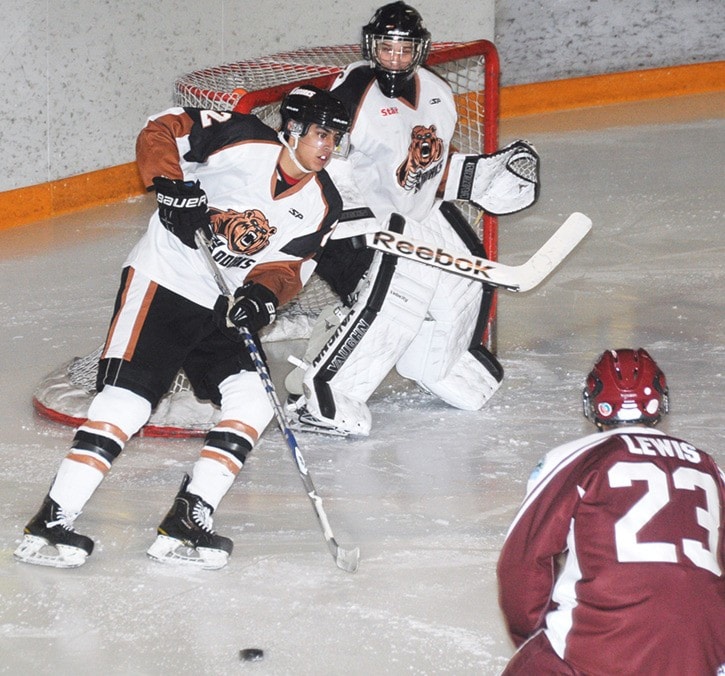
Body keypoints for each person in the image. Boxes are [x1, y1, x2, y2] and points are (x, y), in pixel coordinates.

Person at [14, 85, 352, 569]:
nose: (329, 145)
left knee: (255, 400)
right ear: (293, 129)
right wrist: (170, 184)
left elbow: (289, 267)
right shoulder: (242, 138)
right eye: (322, 133)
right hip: (165, 281)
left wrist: (262, 296)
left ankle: (188, 519)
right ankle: (53, 519)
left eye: (336, 137)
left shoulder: (324, 202)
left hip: (222, 302)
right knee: (127, 403)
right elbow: (162, 127)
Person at [285, 1, 539, 436]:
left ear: (419, 50)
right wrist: (353, 222)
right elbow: (325, 163)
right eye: (386, 49)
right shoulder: (352, 91)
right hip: (357, 224)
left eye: (404, 50)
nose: (395, 59)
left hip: (416, 213)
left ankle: (445, 363)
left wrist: (481, 178)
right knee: (400, 296)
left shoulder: (437, 91)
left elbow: (430, 167)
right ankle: (329, 395)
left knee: (466, 280)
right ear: (372, 47)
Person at [497, 348, 725, 674]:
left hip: (608, 636)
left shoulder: (577, 457)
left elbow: (523, 561)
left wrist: (533, 636)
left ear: (595, 403)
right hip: (704, 642)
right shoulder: (708, 465)